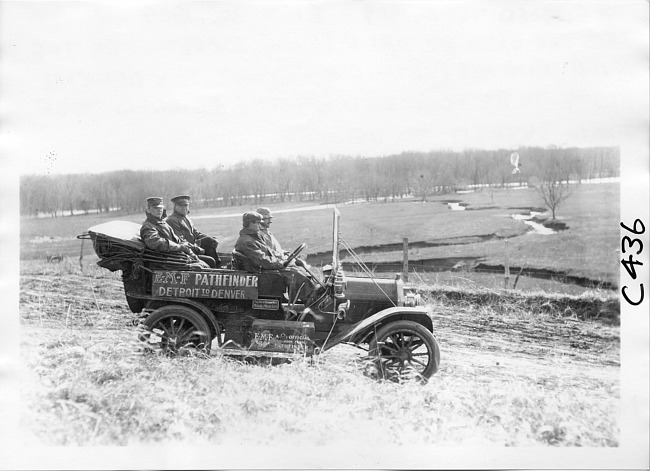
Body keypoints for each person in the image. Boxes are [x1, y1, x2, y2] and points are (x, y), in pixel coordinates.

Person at [234, 212, 316, 302]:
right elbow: (262, 260)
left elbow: (268, 250)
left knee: (296, 268)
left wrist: (282, 257)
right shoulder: (247, 241)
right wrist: (281, 263)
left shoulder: (253, 237)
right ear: (251, 224)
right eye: (258, 223)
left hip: (264, 269)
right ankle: (309, 299)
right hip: (262, 272)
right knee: (295, 274)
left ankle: (306, 297)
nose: (260, 225)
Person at [140, 197, 213, 268]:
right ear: (148, 210)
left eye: (160, 208)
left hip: (176, 257)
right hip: (165, 260)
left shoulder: (163, 223)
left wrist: (191, 253)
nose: (159, 210)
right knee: (203, 266)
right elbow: (155, 243)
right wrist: (179, 247)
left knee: (208, 262)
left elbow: (178, 240)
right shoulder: (148, 226)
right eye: (156, 208)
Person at [166, 195, 221, 267]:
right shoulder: (172, 220)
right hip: (185, 250)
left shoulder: (186, 218)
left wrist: (212, 239)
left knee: (210, 240)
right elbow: (180, 240)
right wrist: (197, 248)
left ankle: (218, 265)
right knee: (210, 259)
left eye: (186, 205)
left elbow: (196, 233)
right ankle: (216, 267)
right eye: (181, 206)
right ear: (175, 207)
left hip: (193, 246)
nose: (184, 208)